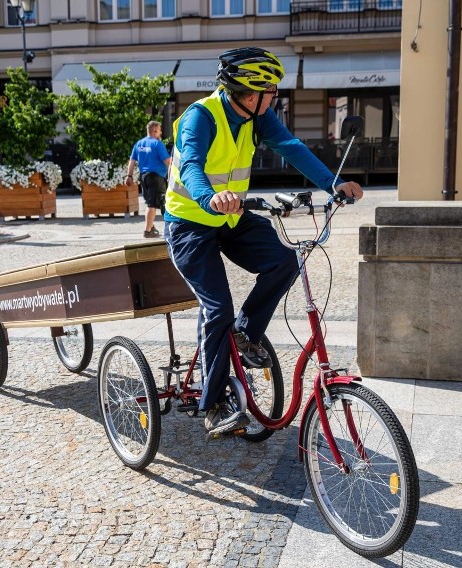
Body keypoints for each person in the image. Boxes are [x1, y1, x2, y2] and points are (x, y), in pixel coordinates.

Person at [163, 47, 363, 437]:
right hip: (189, 223)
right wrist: (209, 196)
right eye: (269, 89)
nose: (275, 95)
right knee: (217, 306)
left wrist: (333, 183)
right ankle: (213, 402)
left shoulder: (258, 117)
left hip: (231, 218)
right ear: (250, 93)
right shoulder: (199, 118)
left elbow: (290, 147)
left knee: (284, 261)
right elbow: (189, 165)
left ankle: (245, 333)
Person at [126, 121, 171, 238]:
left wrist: (129, 176)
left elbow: (132, 162)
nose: (161, 132)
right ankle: (148, 230)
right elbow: (167, 161)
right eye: (160, 130)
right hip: (156, 177)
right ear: (155, 130)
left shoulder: (139, 144)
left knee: (151, 202)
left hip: (144, 177)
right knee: (154, 204)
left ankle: (151, 226)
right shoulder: (157, 144)